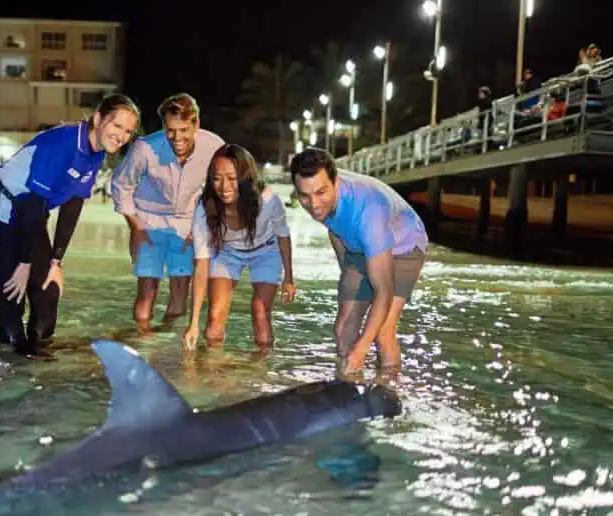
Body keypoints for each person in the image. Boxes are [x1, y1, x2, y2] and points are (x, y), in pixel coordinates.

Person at [0, 93, 140, 359]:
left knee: (48, 292)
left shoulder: (96, 154)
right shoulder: (63, 142)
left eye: (128, 131)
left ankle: (41, 360)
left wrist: (56, 262)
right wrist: (24, 264)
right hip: (1, 212)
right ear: (98, 119)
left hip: (32, 215)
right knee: (12, 299)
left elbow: (73, 204)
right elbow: (29, 204)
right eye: (116, 125)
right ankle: (9, 366)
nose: (121, 135)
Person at [289, 148, 428, 374]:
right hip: (359, 247)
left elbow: (383, 290)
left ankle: (389, 390)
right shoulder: (318, 194)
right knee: (343, 328)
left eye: (321, 193)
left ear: (336, 182)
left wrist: (362, 349)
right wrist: (349, 276)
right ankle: (349, 386)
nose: (313, 204)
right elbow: (335, 229)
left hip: (405, 244)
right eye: (304, 196)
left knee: (382, 332)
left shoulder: (368, 210)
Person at [110, 93, 224, 330]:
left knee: (180, 293)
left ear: (196, 125)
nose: (176, 137)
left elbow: (220, 190)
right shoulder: (145, 148)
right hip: (148, 222)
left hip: (187, 224)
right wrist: (135, 227)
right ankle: (141, 343)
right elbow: (121, 184)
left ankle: (167, 346)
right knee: (146, 291)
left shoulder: (215, 147)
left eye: (183, 129)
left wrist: (206, 224)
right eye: (170, 130)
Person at [183, 144, 296, 351]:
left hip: (265, 252)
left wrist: (289, 278)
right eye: (217, 178)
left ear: (245, 178)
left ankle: (260, 371)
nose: (224, 186)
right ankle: (214, 373)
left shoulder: (268, 200)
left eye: (232, 178)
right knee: (213, 325)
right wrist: (193, 324)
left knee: (260, 315)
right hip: (227, 254)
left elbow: (283, 235)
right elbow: (201, 265)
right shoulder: (205, 206)